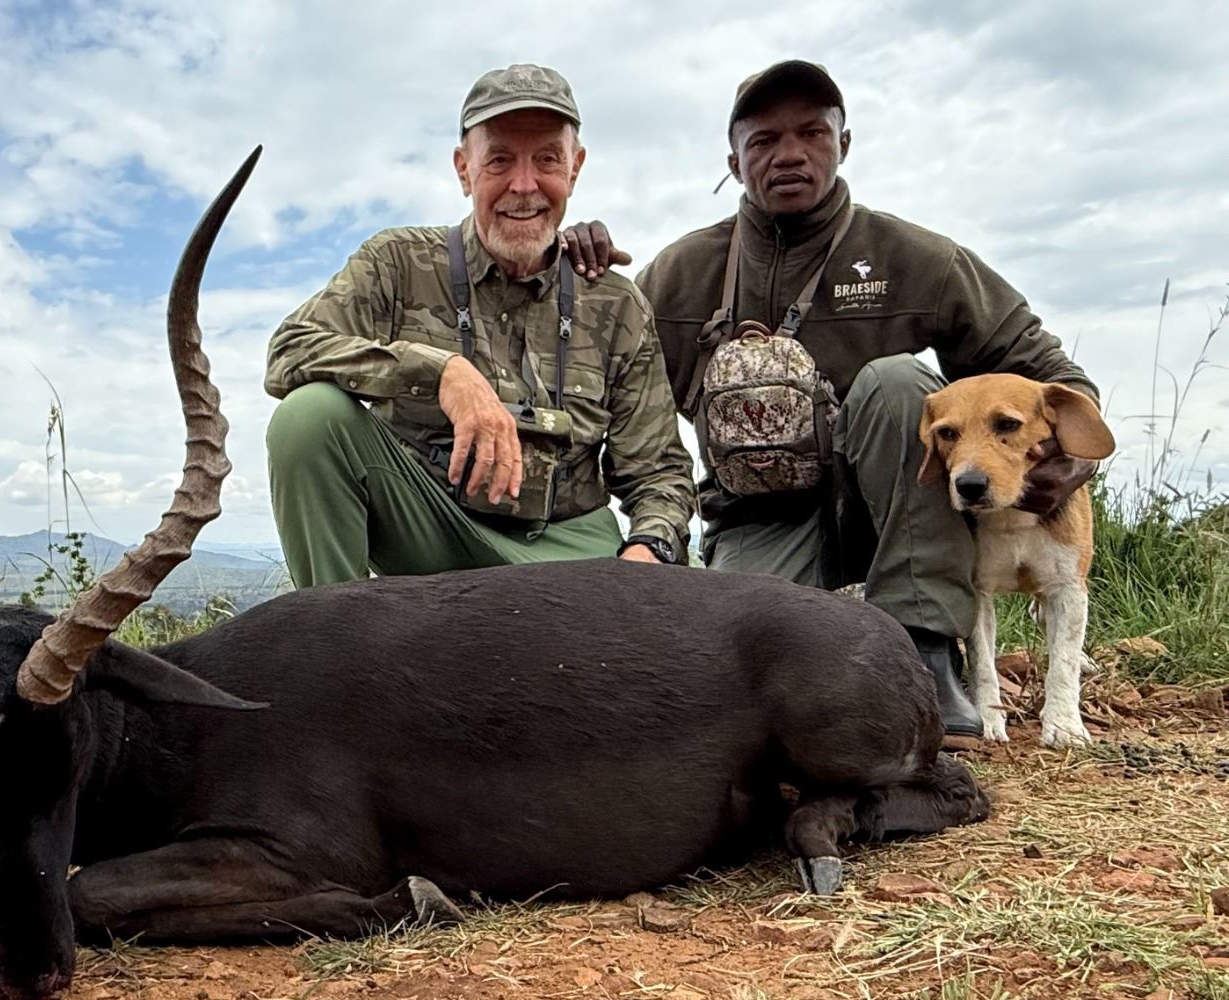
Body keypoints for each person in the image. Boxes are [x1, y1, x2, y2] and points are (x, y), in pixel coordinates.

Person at [563, 61, 1098, 737]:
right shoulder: (680, 274)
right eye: (764, 141)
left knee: (898, 383)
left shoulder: (914, 257)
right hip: (760, 517)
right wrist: (570, 272)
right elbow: (595, 389)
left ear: (843, 144)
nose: (790, 154)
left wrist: (1064, 464)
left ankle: (927, 655)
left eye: (812, 133)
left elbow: (1055, 376)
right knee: (739, 677)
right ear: (733, 161)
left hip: (894, 514)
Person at [263, 64, 695, 590]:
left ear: (575, 168)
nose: (524, 185)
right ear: (464, 170)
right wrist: (441, 373)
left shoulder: (617, 303)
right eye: (499, 161)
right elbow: (289, 351)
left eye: (547, 160)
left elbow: (659, 473)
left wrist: (648, 548)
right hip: (434, 530)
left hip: (571, 546)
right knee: (308, 418)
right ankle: (335, 629)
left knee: (694, 608)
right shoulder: (397, 263)